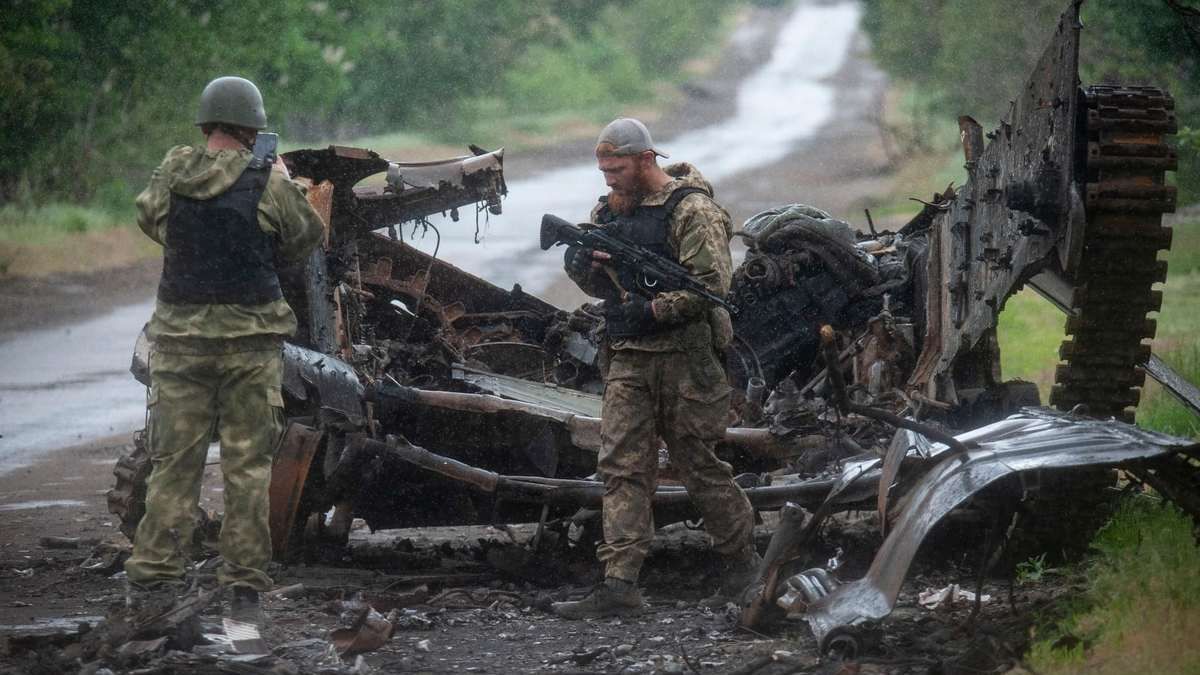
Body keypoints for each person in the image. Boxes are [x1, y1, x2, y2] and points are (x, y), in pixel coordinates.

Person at [123, 76, 325, 621]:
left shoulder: (172, 172)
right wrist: (286, 184)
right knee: (247, 470)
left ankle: (153, 586)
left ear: (207, 123)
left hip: (180, 345)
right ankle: (242, 588)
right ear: (253, 127)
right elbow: (307, 237)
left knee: (174, 466)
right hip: (249, 349)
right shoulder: (269, 181)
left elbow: (151, 219)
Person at [551, 118, 759, 619]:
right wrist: (584, 261)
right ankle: (619, 584)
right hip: (629, 360)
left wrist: (649, 311)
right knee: (622, 468)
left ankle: (746, 567)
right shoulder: (608, 211)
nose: (608, 179)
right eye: (603, 170)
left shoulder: (692, 210)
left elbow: (711, 286)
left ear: (646, 160)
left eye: (617, 169)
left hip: (687, 359)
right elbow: (594, 282)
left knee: (698, 465)